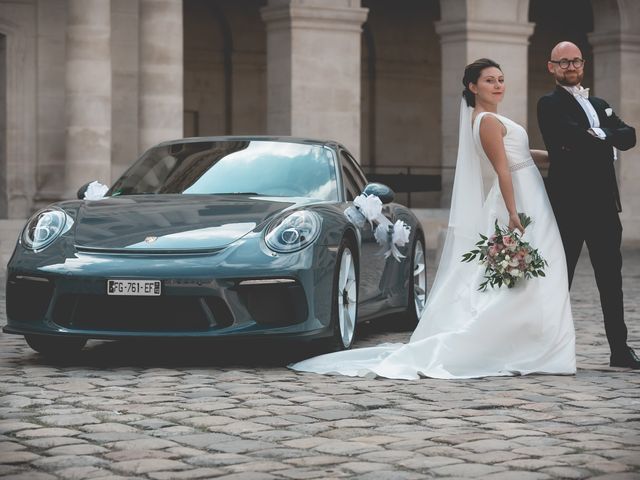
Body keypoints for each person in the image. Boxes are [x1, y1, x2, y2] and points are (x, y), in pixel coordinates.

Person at [289, 59, 576, 379]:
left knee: (537, 271)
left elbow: (517, 152)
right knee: (539, 268)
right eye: (489, 80)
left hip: (530, 194)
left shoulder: (487, 119)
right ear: (472, 87)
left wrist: (554, 155)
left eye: (501, 79)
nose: (498, 85)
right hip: (522, 199)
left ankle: (537, 341)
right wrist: (512, 212)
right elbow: (502, 169)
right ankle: (530, 344)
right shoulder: (488, 121)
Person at [537, 41, 639, 369]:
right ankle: (548, 349)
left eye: (575, 61)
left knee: (611, 278)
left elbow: (630, 136)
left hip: (605, 206)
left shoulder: (599, 102)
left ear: (583, 64)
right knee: (559, 279)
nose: (570, 66)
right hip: (568, 205)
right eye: (563, 62)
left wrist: (596, 133)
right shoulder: (549, 103)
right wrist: (605, 135)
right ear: (551, 67)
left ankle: (620, 351)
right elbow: (567, 137)